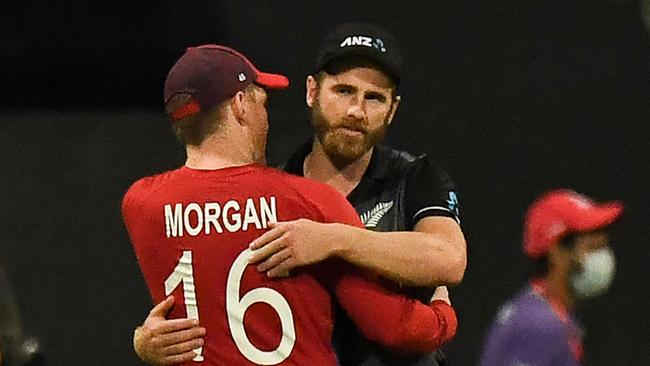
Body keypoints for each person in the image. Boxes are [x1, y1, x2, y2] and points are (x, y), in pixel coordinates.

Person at [134, 23, 467, 366]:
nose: (356, 111)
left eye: (374, 98)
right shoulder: (280, 189)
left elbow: (449, 260)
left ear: (392, 110)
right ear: (312, 92)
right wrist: (147, 340)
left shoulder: (415, 177)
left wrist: (334, 239)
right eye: (343, 91)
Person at [479, 189, 623, 366]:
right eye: (593, 247)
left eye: (604, 247)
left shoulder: (547, 313)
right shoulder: (538, 324)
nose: (603, 257)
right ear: (556, 252)